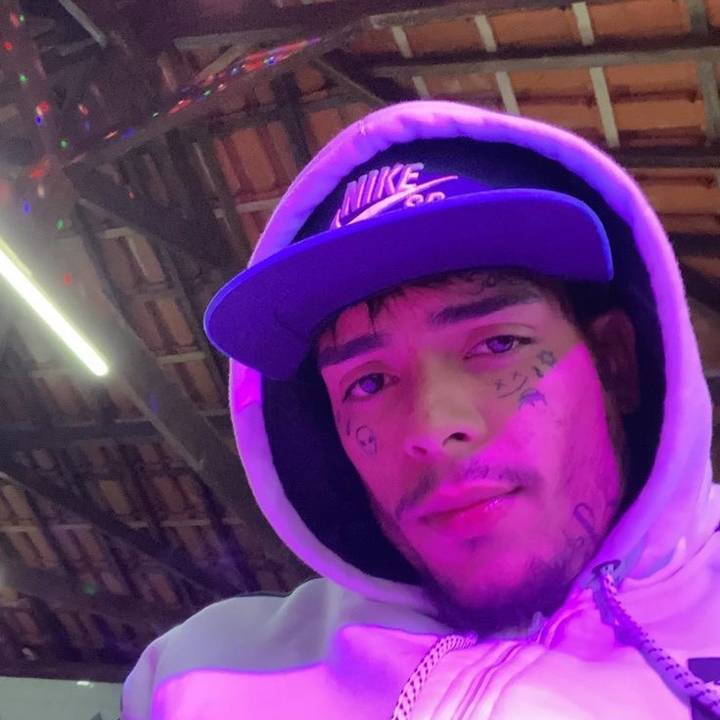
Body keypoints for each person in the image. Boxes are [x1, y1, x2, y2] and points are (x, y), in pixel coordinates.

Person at [122, 101, 720, 719]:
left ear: (615, 363)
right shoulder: (204, 676)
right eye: (369, 382)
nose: (432, 428)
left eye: (497, 345)